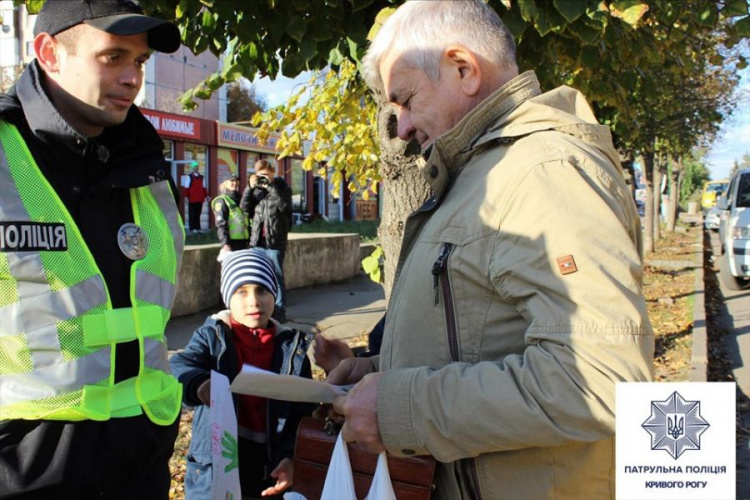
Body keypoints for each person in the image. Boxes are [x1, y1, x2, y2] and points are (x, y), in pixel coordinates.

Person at [327, 2, 654, 499]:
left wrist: (402, 408)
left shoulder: (542, 172)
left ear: (463, 68)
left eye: (408, 100)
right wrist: (381, 371)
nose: (404, 127)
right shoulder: (484, 173)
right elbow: (488, 335)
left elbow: (600, 379)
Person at [0, 1, 183, 498]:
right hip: (26, 469)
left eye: (140, 62)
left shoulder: (148, 165)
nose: (132, 78)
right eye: (113, 56)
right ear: (49, 52)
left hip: (141, 465)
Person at [169, 249, 315, 499]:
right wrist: (198, 383)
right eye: (241, 292)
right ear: (227, 297)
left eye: (262, 290)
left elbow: (303, 414)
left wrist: (291, 456)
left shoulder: (292, 350)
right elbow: (179, 365)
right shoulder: (211, 336)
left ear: (275, 293)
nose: (254, 301)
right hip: (218, 463)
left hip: (272, 464)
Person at [241, 160, 293, 323]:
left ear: (272, 173)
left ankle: (279, 310)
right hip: (257, 241)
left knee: (277, 276)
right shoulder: (256, 191)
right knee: (257, 276)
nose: (263, 178)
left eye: (266, 174)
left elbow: (284, 205)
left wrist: (270, 185)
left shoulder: (282, 188)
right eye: (260, 174)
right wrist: (250, 188)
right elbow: (244, 208)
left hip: (275, 241)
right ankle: (262, 308)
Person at [213, 174, 249, 259]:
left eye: (236, 181)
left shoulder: (241, 198)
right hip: (231, 243)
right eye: (232, 181)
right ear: (225, 183)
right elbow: (221, 224)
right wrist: (225, 244)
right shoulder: (222, 200)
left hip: (244, 241)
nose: (235, 183)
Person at [184, 164, 209, 233]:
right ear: (192, 168)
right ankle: (192, 228)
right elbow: (187, 188)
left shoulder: (201, 177)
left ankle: (198, 228)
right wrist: (186, 197)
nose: (196, 168)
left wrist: (206, 196)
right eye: (194, 167)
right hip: (192, 198)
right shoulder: (189, 177)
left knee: (198, 214)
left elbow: (204, 187)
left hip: (200, 198)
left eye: (197, 167)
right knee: (192, 214)